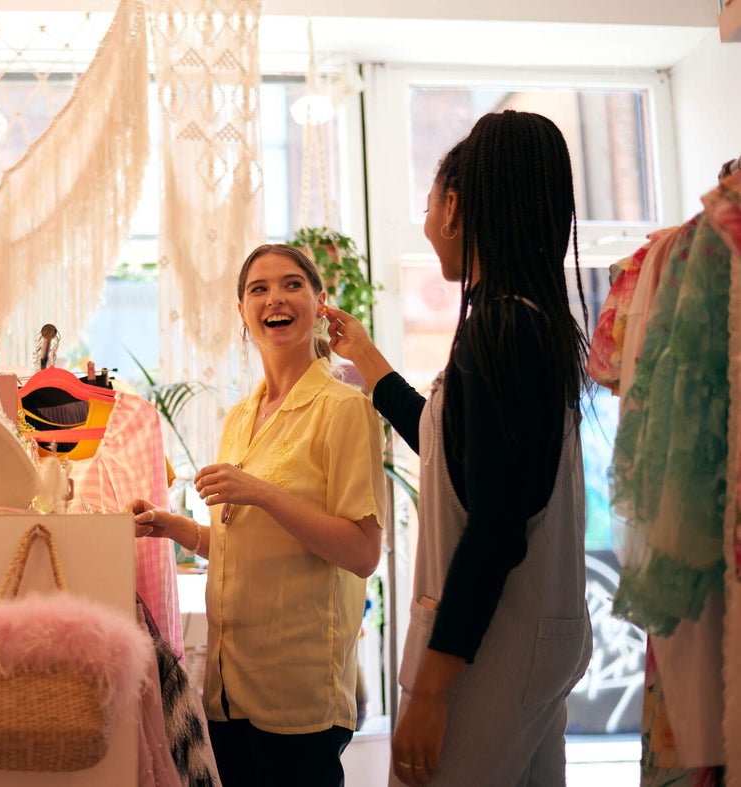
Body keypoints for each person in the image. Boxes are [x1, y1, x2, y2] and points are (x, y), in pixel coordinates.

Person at [327, 110, 593, 786]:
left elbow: (497, 525)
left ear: (453, 207)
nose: (426, 222)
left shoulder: (498, 331)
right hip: (544, 632)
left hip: (491, 646)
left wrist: (433, 689)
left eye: (427, 203)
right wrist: (370, 361)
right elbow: (461, 459)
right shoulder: (536, 325)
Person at [130, 243, 386, 787]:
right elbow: (245, 543)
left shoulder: (344, 409)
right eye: (258, 288)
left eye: (293, 284)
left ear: (321, 304)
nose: (275, 298)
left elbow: (363, 554)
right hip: (228, 686)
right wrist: (173, 527)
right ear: (242, 312)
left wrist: (263, 492)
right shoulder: (242, 414)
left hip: (298, 691)